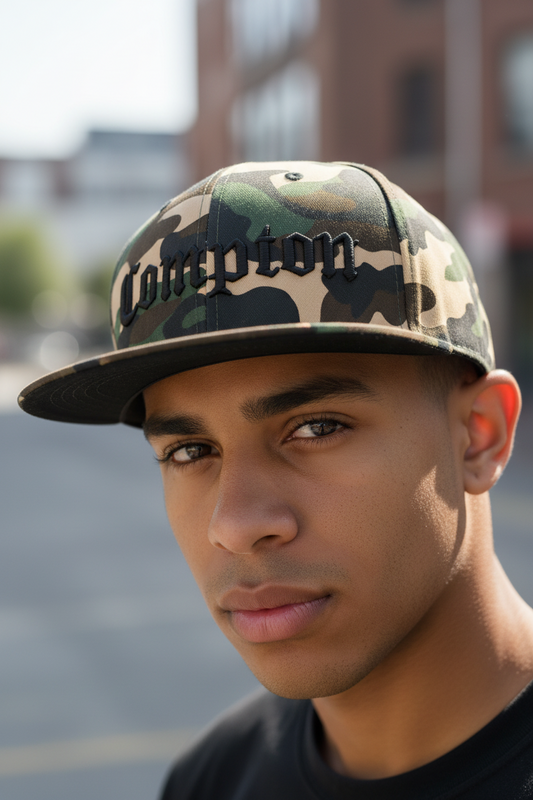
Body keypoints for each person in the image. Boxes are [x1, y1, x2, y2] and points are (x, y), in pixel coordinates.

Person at [19, 161, 533, 798]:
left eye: (316, 428)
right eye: (189, 450)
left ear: (480, 435)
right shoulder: (215, 777)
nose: (234, 526)